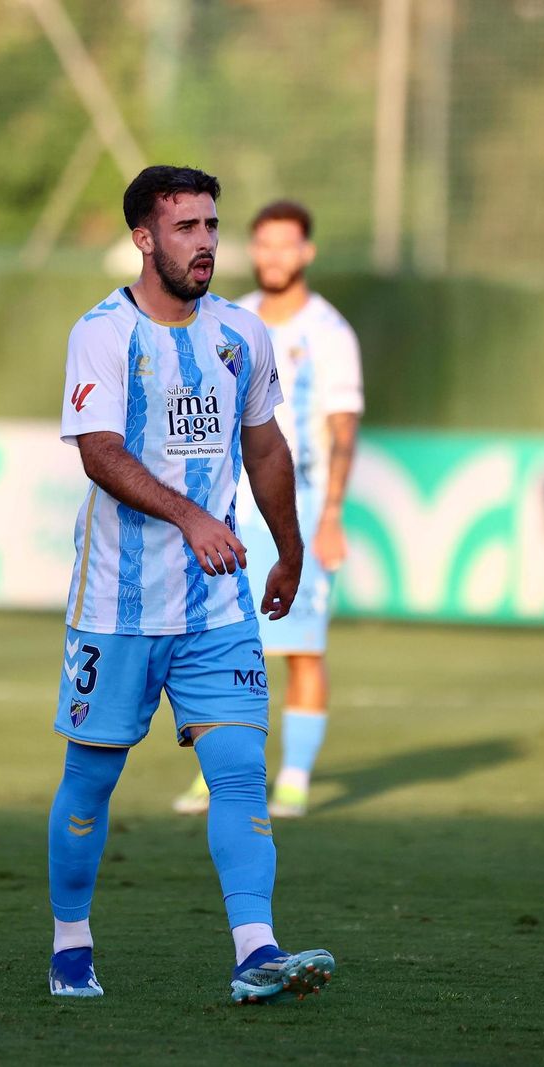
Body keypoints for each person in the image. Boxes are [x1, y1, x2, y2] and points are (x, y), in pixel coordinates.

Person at [47, 165, 335, 1005]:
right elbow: (99, 451)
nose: (206, 242)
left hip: (217, 604)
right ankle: (70, 943)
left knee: (240, 768)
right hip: (115, 604)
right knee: (91, 780)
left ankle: (256, 950)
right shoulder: (102, 332)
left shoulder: (240, 333)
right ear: (144, 238)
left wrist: (287, 548)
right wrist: (190, 518)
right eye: (186, 228)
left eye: (213, 225)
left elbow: (267, 445)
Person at [172, 200, 363, 819]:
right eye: (264, 245)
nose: (274, 256)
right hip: (229, 509)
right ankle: (217, 776)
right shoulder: (227, 317)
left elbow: (342, 429)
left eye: (287, 245)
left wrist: (330, 515)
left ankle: (295, 780)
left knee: (302, 648)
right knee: (213, 647)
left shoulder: (329, 333)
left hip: (298, 509)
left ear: (306, 252)